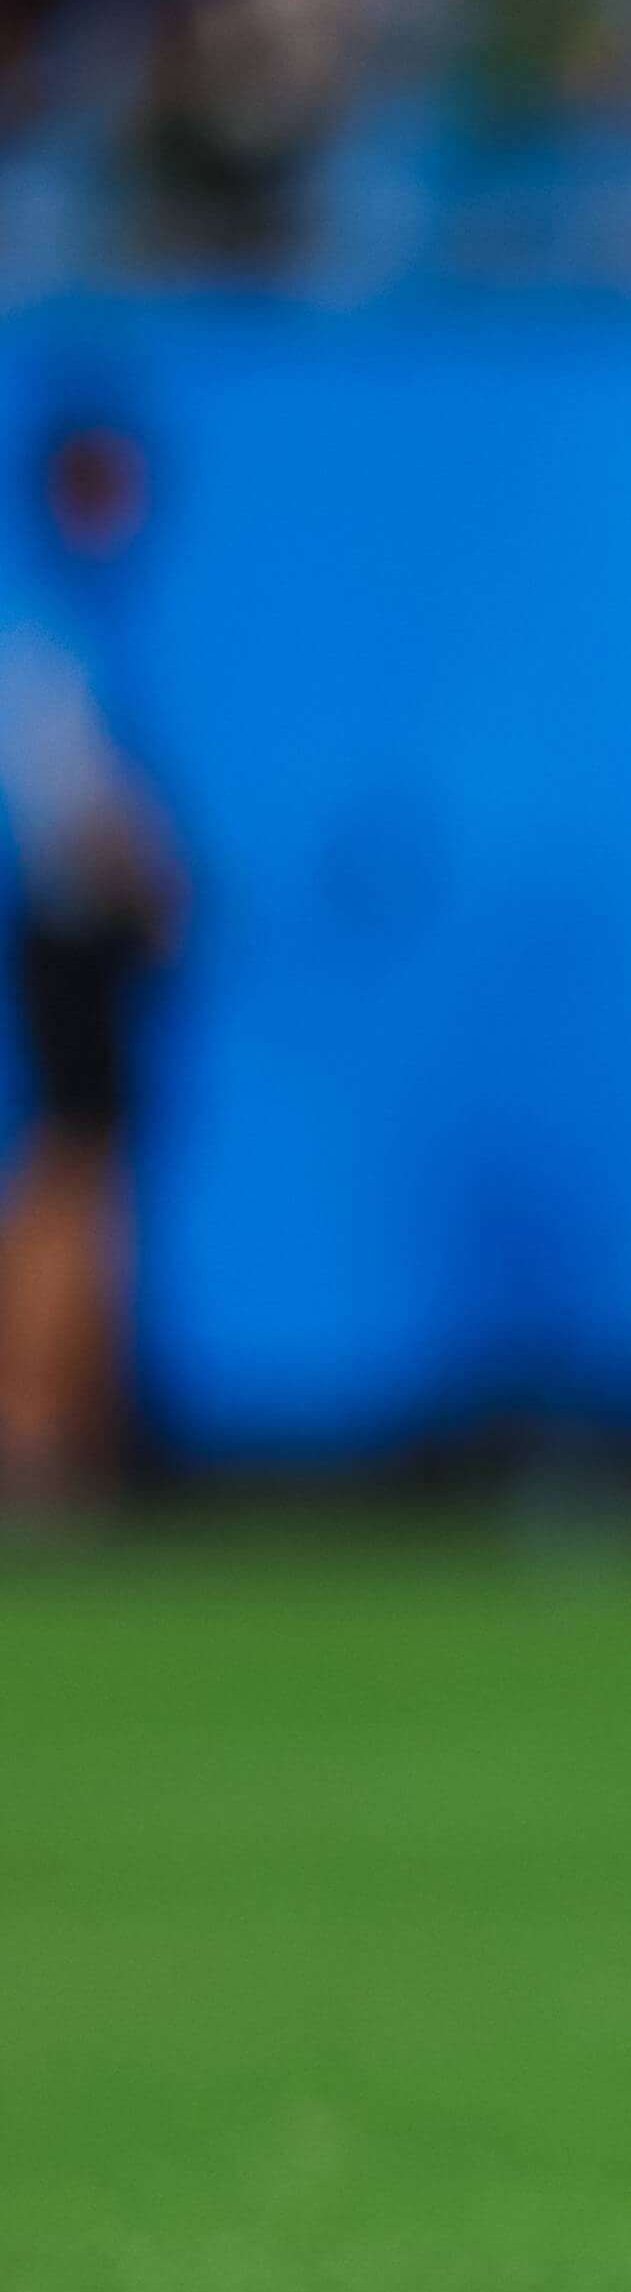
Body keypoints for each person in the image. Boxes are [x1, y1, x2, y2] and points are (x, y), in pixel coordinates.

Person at [4, 415, 183, 1519]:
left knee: (88, 1178)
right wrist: (157, 886)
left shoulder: (81, 621)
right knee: (71, 1176)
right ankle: (29, 1426)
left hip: (84, 949)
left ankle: (62, 1426)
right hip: (65, 941)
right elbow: (75, 815)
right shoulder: (45, 627)